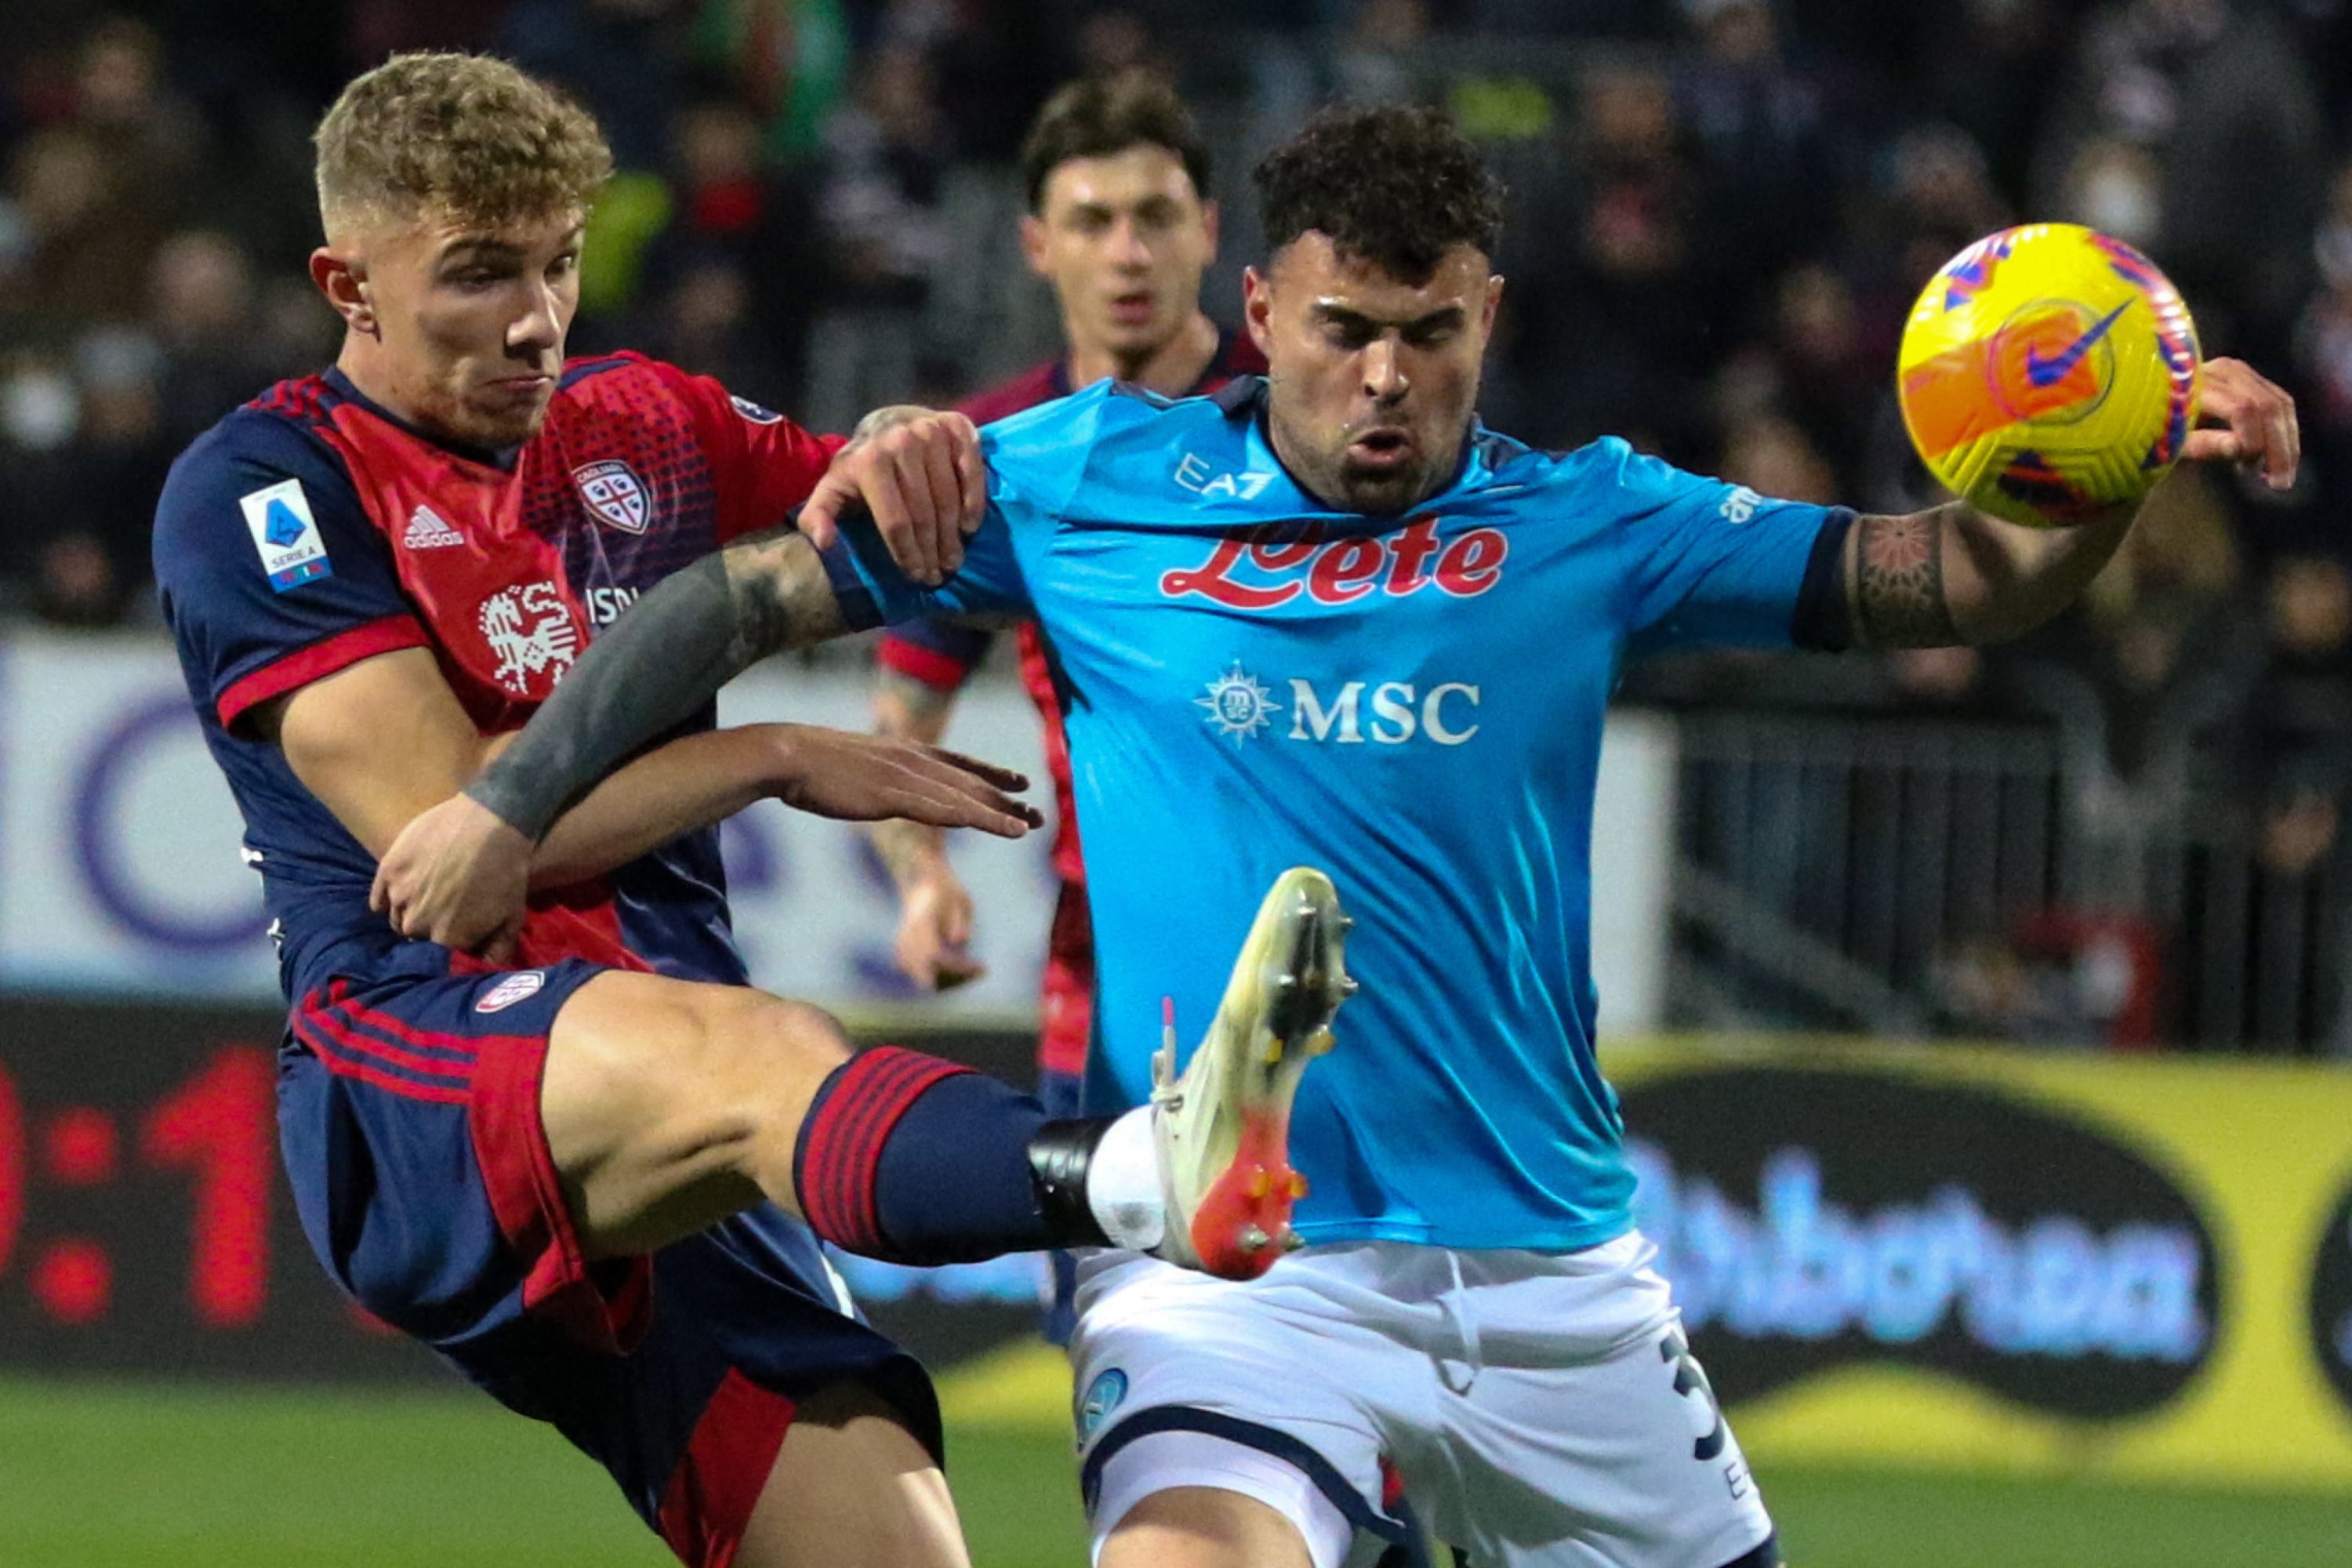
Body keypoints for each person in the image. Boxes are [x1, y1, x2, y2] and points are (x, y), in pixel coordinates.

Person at [374, 106, 2299, 1568]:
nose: (1387, 380)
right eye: (1348, 332)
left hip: (1557, 1278)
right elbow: (728, 605)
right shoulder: (1074, 482)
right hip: (1242, 1272)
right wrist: (507, 799)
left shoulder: (1598, 519)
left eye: (1433, 337)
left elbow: (1952, 580)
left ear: (1491, 322)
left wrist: (2105, 456)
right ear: (1262, 312)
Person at [150, 53, 1349, 1568]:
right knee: (765, 1053)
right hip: (418, 1062)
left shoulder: (644, 422)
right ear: (349, 282)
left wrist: (917, 441)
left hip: (679, 1112)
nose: (534, 317)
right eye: (475, 276)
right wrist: (772, 752)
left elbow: (888, 508)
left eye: (559, 263)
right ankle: (1148, 1176)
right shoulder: (267, 485)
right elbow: (453, 845)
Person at [868, 68, 1264, 1337]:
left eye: (1157, 214)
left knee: (1377, 1423)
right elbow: (900, 725)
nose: (1129, 252)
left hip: (1332, 971)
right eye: (1092, 221)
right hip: (1111, 992)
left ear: (1211, 228)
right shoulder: (990, 466)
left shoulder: (1316, 421)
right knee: (1133, 1367)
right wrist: (921, 875)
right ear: (1038, 244)